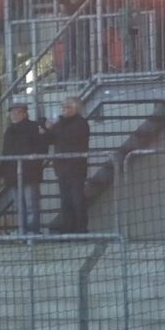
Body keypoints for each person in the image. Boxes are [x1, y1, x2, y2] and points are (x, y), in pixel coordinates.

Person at [1, 103, 48, 235]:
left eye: (14, 113)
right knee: (21, 205)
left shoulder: (31, 128)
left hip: (28, 172)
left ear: (22, 113)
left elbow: (41, 149)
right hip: (16, 173)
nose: (12, 116)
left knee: (29, 204)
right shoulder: (10, 131)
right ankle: (25, 230)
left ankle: (31, 230)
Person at [46, 98, 91, 234]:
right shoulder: (60, 124)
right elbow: (51, 139)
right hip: (62, 167)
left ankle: (80, 229)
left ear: (76, 109)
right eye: (64, 106)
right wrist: (47, 129)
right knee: (66, 201)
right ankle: (68, 228)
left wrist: (54, 128)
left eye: (68, 107)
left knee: (77, 200)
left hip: (76, 167)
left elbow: (69, 138)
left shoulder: (81, 123)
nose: (65, 109)